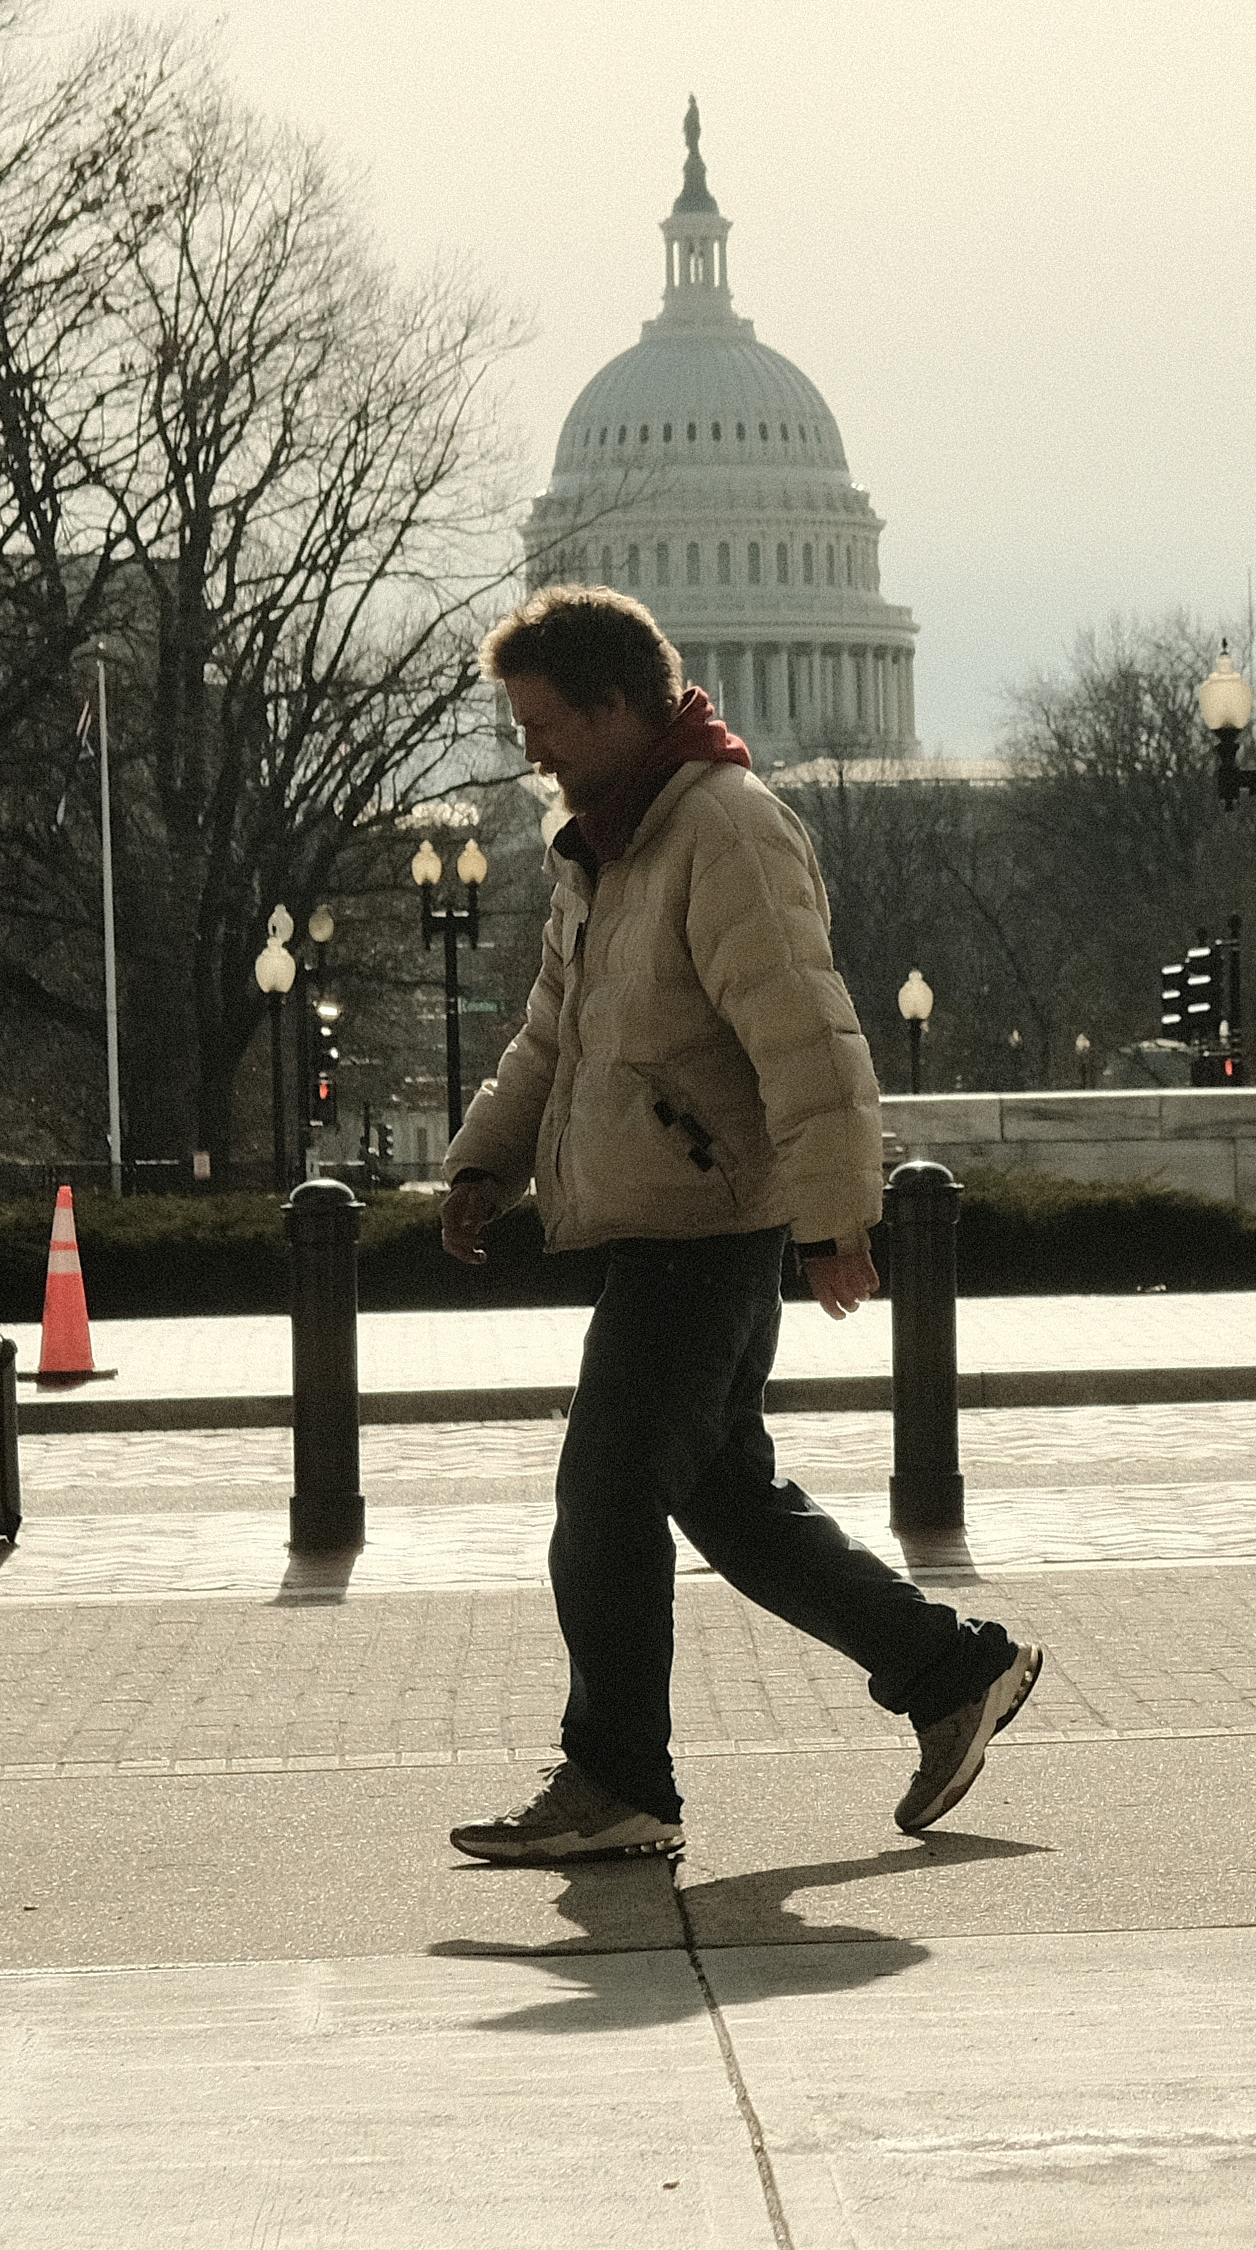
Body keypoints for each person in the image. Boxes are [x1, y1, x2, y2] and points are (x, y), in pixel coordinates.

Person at [434, 586, 1037, 1862]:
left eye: (543, 722)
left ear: (613, 706)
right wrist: (486, 1160)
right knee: (732, 1507)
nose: (527, 748)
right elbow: (555, 1028)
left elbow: (805, 1037)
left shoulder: (724, 829)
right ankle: (946, 1673)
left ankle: (617, 1778)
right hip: (664, 1220)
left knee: (601, 1501)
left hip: (704, 1230)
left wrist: (835, 1219)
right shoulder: (606, 840)